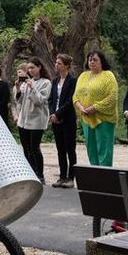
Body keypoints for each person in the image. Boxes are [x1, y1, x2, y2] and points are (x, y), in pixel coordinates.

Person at [74, 50, 117, 167]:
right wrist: (81, 107)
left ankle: (106, 176)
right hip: (86, 119)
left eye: (95, 60)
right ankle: (96, 177)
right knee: (91, 150)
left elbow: (112, 97)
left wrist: (95, 107)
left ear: (101, 61)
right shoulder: (83, 76)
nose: (92, 62)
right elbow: (75, 96)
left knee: (104, 150)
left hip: (103, 119)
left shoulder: (108, 75)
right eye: (90, 60)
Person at [15, 57, 52, 183]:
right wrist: (19, 89)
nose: (30, 70)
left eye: (32, 68)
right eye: (28, 68)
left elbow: (40, 101)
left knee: (34, 148)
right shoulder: (26, 82)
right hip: (23, 121)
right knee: (26, 148)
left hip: (36, 121)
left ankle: (40, 174)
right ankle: (30, 172)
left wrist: (32, 87)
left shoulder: (46, 82)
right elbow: (19, 101)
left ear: (39, 67)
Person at [48, 54, 77, 187]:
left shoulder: (72, 81)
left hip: (67, 118)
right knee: (60, 149)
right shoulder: (55, 80)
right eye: (56, 62)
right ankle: (62, 176)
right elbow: (51, 99)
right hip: (56, 119)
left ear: (66, 66)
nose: (56, 65)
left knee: (70, 148)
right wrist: (52, 113)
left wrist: (58, 114)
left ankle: (71, 178)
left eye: (59, 63)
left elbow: (70, 100)